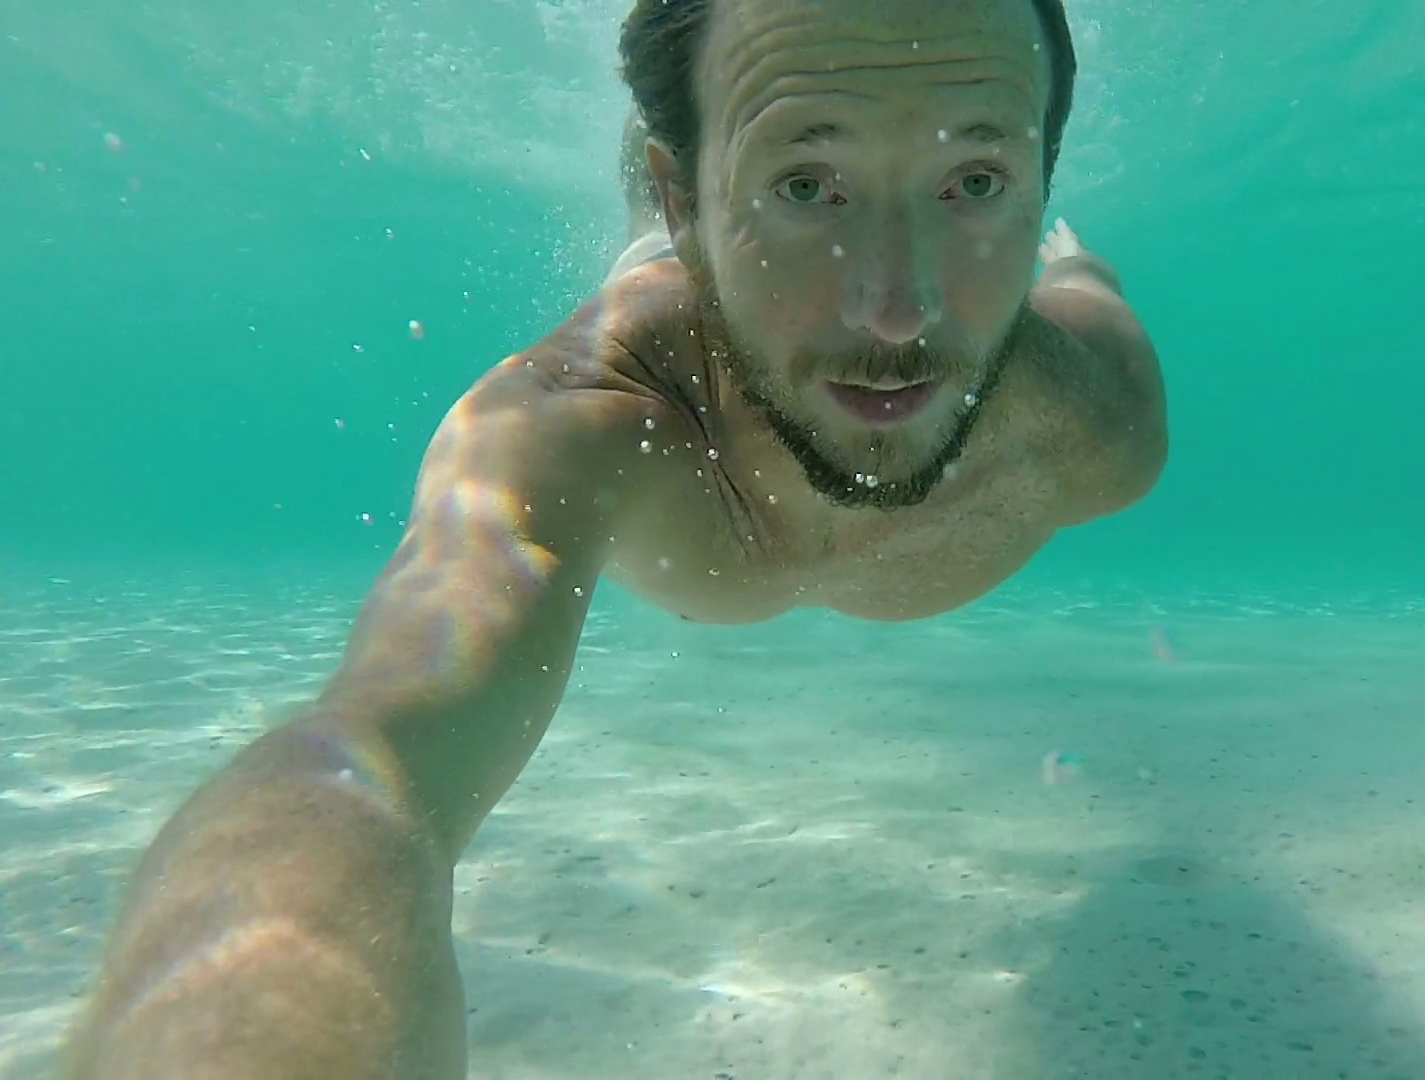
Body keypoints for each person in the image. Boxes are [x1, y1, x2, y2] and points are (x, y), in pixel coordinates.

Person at [60, 0, 1164, 1074]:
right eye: (805, 186)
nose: (897, 308)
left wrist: (1075, 268)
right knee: (658, 270)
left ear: (1043, 182)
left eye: (977, 183)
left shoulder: (1099, 425)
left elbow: (1083, 294)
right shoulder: (588, 424)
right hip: (682, 304)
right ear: (689, 199)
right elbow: (372, 763)